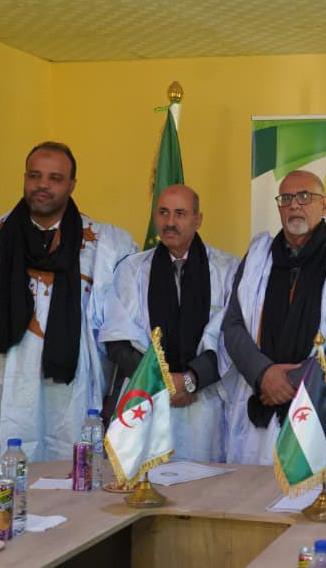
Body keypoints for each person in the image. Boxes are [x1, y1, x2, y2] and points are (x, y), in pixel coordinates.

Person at [0, 141, 136, 473]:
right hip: (2, 385)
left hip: (72, 393)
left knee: (67, 479)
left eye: (55, 178)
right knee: (2, 478)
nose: (43, 185)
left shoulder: (105, 245)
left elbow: (120, 330)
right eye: (34, 175)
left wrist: (114, 396)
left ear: (72, 185)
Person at [221, 170, 326, 466]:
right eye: (286, 198)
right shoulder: (257, 258)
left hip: (323, 399)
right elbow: (233, 325)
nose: (294, 205)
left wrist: (298, 380)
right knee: (255, 489)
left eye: (304, 197)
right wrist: (263, 375)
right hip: (261, 399)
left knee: (319, 486)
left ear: (324, 205)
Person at [99, 184, 237, 462]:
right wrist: (161, 382)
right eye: (163, 213)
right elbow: (118, 341)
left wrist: (190, 380)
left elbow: (229, 339)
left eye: (180, 214)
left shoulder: (228, 269)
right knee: (146, 479)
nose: (170, 222)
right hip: (146, 397)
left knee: (201, 482)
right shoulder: (132, 269)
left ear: (198, 220)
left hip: (203, 402)